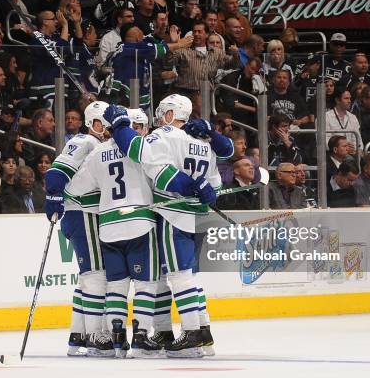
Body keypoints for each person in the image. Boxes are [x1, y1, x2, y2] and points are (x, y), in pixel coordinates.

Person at [102, 94, 233, 357]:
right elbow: (215, 185)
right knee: (189, 275)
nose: (159, 118)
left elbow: (138, 152)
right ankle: (203, 331)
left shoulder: (164, 135)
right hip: (198, 217)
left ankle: (192, 334)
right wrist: (202, 189)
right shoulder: (203, 143)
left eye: (163, 113)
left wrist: (119, 126)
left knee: (178, 275)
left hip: (175, 215)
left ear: (171, 115)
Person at [65, 108, 161, 358]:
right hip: (140, 222)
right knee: (145, 283)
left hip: (107, 226)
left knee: (115, 285)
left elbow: (75, 187)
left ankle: (117, 341)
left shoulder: (97, 152)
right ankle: (140, 339)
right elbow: (160, 179)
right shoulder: (139, 147)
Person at [44, 101, 112, 357]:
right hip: (83, 213)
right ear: (93, 122)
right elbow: (56, 172)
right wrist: (53, 194)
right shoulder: (86, 141)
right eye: (102, 121)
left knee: (87, 276)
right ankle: (96, 335)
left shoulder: (97, 144)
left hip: (82, 214)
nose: (106, 126)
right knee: (96, 274)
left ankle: (78, 334)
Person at [110, 23, 192, 112]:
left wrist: (171, 40)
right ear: (138, 39)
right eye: (142, 36)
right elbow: (155, 49)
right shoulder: (127, 48)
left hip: (139, 100)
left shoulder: (139, 50)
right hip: (124, 99)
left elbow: (156, 42)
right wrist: (179, 44)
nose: (144, 38)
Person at [325, 89, 362, 153]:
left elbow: (358, 140)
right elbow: (325, 142)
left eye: (350, 98)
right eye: (346, 98)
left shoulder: (353, 117)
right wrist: (343, 149)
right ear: (337, 100)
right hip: (332, 153)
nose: (349, 101)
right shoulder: (326, 117)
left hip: (352, 153)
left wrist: (355, 148)